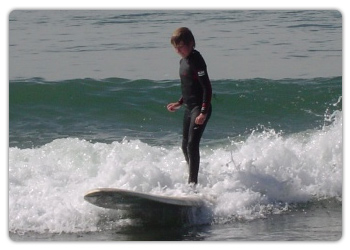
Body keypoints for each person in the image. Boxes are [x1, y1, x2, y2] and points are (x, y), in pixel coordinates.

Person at [167, 27, 212, 185]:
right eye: (175, 47)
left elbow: (207, 87)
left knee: (192, 144)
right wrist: (179, 102)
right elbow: (189, 87)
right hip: (188, 108)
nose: (178, 50)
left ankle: (193, 184)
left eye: (181, 46)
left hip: (199, 109)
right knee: (184, 145)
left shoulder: (197, 60)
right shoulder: (183, 61)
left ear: (191, 43)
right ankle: (192, 175)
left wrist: (203, 112)